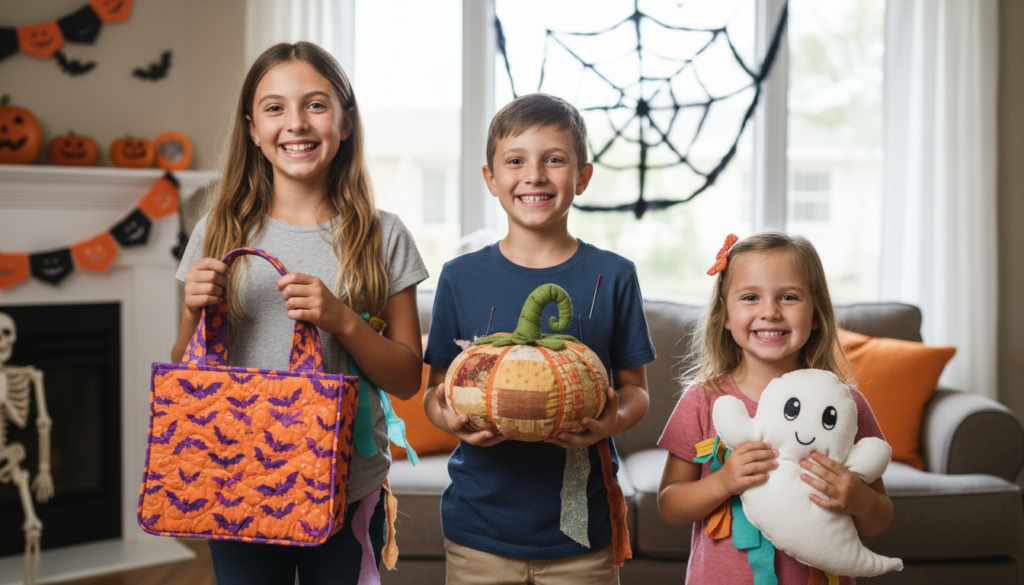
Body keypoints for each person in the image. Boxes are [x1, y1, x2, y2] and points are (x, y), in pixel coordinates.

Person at [170, 42, 428, 585]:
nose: (296, 123)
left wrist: (344, 321)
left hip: (346, 486)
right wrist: (196, 312)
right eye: (274, 108)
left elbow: (406, 378)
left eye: (316, 104)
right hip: (234, 478)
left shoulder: (384, 235)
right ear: (251, 130)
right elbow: (183, 368)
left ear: (346, 120)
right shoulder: (216, 232)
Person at [422, 93, 657, 585]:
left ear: (582, 177)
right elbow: (434, 391)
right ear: (491, 178)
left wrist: (607, 423)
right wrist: (451, 420)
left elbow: (637, 391)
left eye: (554, 159)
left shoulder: (614, 276)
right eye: (515, 161)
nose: (534, 175)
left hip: (582, 536)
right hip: (478, 529)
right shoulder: (459, 277)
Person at [657, 232, 894, 584]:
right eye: (750, 297)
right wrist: (724, 481)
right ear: (725, 315)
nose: (770, 311)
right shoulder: (704, 399)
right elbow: (669, 504)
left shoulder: (843, 406)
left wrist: (857, 498)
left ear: (816, 314)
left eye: (789, 297)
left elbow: (880, 517)